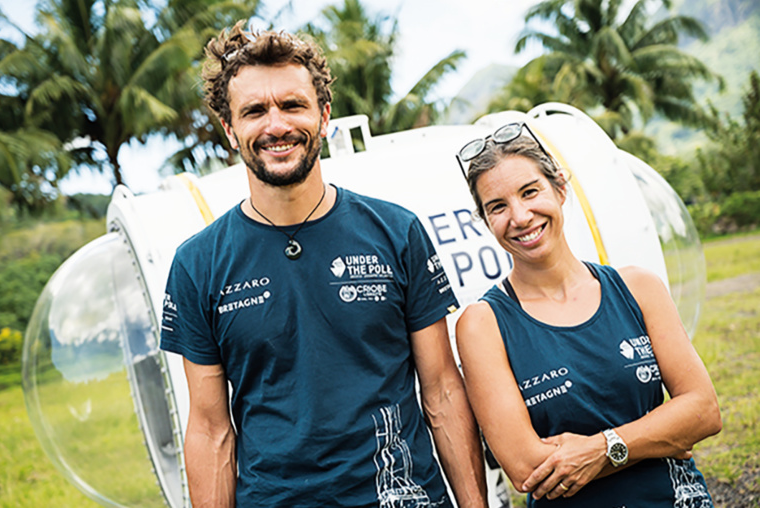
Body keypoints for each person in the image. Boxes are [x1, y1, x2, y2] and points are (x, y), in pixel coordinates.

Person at [159, 21, 487, 508]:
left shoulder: (397, 232)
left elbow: (441, 390)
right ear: (229, 129)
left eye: (293, 105)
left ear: (325, 116)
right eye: (254, 111)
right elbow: (211, 430)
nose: (276, 126)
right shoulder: (197, 264)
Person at [454, 122, 722, 507]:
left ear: (560, 188)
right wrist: (662, 435)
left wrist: (603, 447)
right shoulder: (483, 324)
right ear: (485, 220)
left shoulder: (638, 288)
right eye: (498, 206)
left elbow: (704, 411)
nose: (520, 216)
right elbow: (528, 468)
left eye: (530, 192)